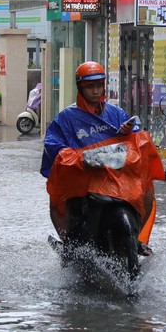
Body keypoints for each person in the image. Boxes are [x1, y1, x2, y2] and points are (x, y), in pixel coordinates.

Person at [41, 61, 142, 239]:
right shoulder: (66, 117)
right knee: (57, 199)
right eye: (90, 87)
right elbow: (52, 145)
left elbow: (136, 141)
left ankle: (138, 238)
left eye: (99, 86)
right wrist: (73, 157)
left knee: (146, 190)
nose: (95, 91)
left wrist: (129, 133)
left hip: (114, 175)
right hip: (83, 175)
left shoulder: (116, 113)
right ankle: (68, 244)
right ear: (80, 88)